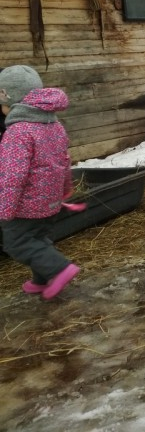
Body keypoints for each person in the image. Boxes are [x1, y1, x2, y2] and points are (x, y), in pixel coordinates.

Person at [0, 65, 80, 300]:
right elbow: (65, 161)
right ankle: (40, 280)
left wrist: (4, 208)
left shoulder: (17, 132)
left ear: (10, 99)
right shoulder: (54, 125)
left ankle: (60, 269)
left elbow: (11, 175)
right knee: (38, 239)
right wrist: (65, 190)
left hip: (26, 205)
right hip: (50, 201)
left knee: (17, 243)